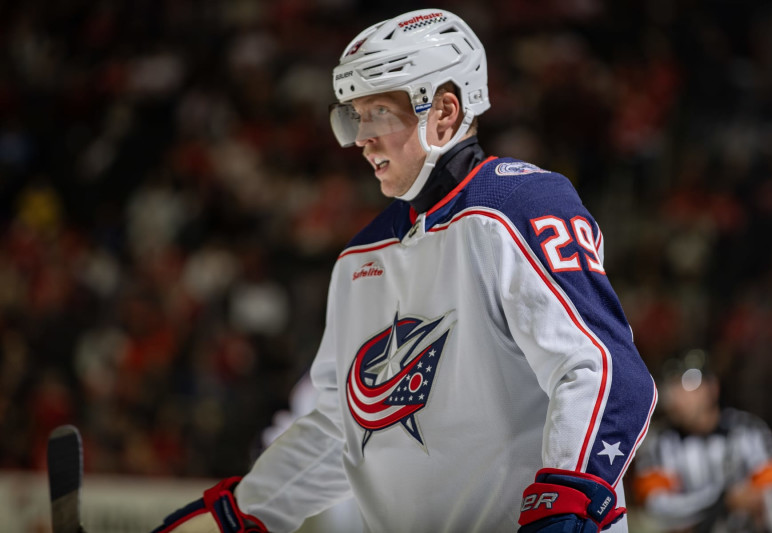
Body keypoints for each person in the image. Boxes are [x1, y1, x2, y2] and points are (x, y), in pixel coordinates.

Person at [152, 8, 657, 533]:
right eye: (354, 115)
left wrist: (570, 505)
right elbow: (340, 429)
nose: (359, 138)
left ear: (443, 113)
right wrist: (236, 517)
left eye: (378, 113)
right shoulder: (359, 257)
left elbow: (604, 370)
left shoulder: (519, 203)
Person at [632, 349, 772, 532]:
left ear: (712, 388)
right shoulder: (658, 443)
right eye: (671, 387)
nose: (678, 397)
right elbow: (655, 508)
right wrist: (723, 500)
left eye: (688, 384)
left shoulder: (749, 431)